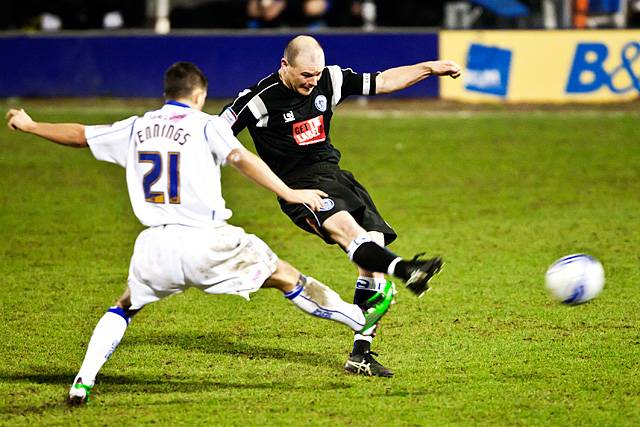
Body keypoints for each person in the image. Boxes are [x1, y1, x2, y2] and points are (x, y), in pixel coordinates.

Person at [5, 61, 396, 405]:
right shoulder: (206, 125)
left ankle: (83, 381)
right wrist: (291, 192)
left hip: (155, 243)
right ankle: (358, 317)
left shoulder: (139, 126)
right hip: (209, 240)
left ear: (166, 93)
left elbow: (81, 135)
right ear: (200, 95)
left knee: (125, 305)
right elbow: (242, 158)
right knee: (287, 278)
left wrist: (30, 125)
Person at [220, 35, 462, 377]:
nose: (313, 82)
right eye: (306, 75)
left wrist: (428, 68)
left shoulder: (329, 79)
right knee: (352, 236)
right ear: (284, 65)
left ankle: (361, 354)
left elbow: (380, 81)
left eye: (316, 75)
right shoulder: (258, 100)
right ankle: (407, 270)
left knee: (372, 257)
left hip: (337, 178)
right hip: (302, 189)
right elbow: (215, 134)